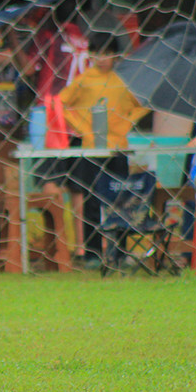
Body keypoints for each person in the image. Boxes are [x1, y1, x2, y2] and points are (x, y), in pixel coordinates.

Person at [55, 32, 150, 262]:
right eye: (97, 53)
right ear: (90, 54)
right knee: (91, 201)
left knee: (120, 200)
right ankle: (92, 253)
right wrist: (82, 127)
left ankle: (119, 253)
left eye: (107, 53)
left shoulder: (123, 80)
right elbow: (61, 102)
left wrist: (126, 124)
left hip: (117, 148)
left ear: (116, 55)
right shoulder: (84, 79)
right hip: (91, 149)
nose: (102, 58)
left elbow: (143, 104)